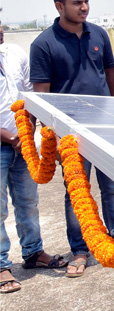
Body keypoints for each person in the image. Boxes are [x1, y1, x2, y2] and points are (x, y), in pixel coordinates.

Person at [30, 0, 114, 277]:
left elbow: (110, 75)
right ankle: (80, 250)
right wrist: (51, 138)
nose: (84, 7)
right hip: (70, 134)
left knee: (112, 187)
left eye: (86, 1)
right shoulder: (43, 44)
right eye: (77, 3)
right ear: (59, 5)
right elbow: (42, 96)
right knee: (77, 191)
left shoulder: (99, 35)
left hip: (105, 127)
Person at [1, 18, 68, 293]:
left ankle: (32, 253)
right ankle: (1, 265)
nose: (0, 31)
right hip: (7, 141)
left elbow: (31, 96)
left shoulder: (14, 53)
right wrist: (10, 137)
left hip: (24, 143)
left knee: (28, 201)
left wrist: (31, 135)